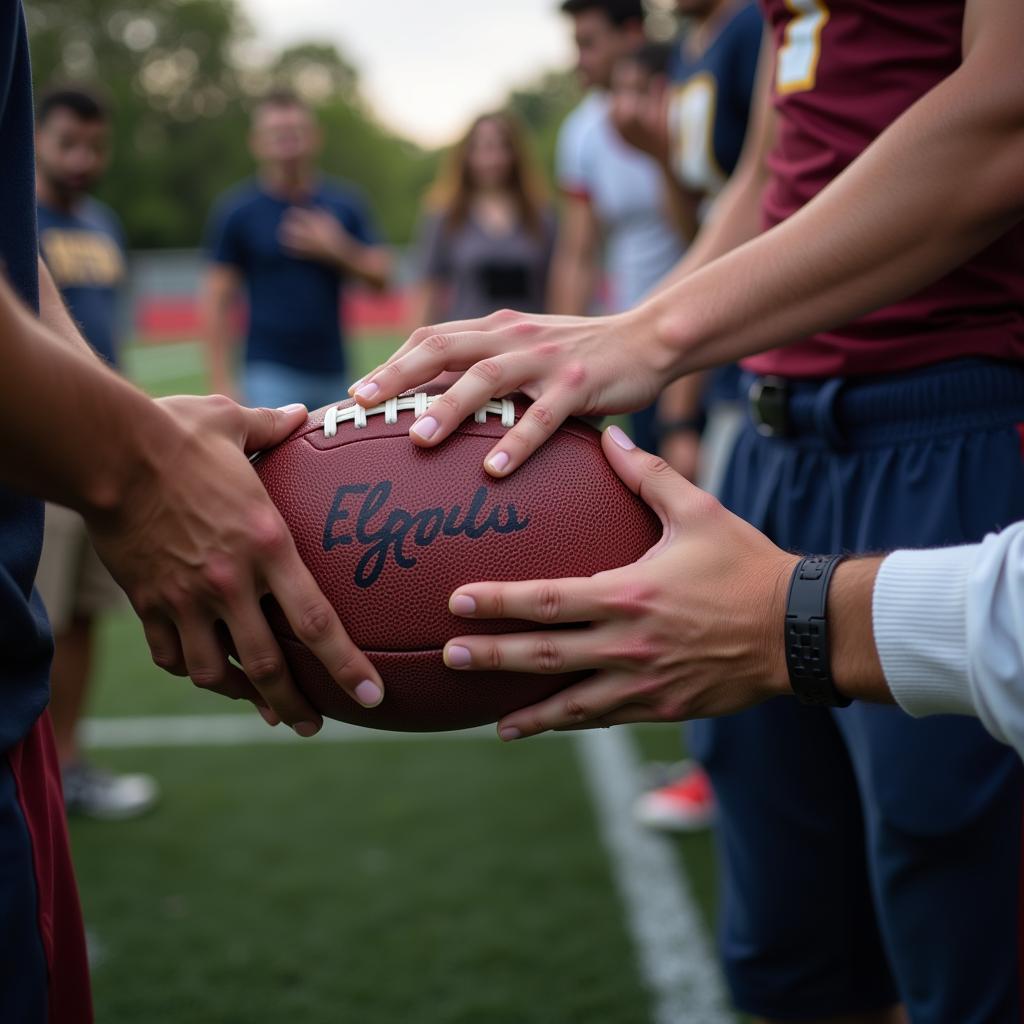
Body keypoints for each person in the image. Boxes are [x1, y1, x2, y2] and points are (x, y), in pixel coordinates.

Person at [351, 0, 1024, 1019]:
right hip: (766, 437)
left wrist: (655, 335)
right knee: (788, 936)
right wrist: (636, 335)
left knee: (963, 936)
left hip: (954, 421)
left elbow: (1003, 109)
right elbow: (771, 172)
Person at [0, 6, 385, 1018]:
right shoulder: (234, 214)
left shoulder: (99, 218)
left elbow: (15, 268)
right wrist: (135, 468)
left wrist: (125, 438)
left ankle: (74, 755)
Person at [611, 0, 763, 834]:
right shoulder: (696, 49)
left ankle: (725, 766)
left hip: (766, 333)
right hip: (727, 333)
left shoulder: (748, 30)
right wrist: (660, 155)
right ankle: (721, 762)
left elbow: (769, 189)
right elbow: (698, 220)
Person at [33, 86, 159, 821]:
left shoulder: (104, 225)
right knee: (32, 617)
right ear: (34, 141)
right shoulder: (16, 217)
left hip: (99, 452)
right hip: (38, 453)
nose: (84, 160)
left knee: (82, 614)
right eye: (67, 144)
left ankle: (69, 764)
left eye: (95, 146)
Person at [550, 0, 688, 453]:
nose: (579, 61)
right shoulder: (581, 131)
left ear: (632, 34)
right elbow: (579, 251)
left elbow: (709, 230)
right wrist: (559, 360)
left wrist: (657, 152)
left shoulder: (688, 95)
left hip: (708, 334)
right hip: (640, 341)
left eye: (588, 44)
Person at [202, 88, 392, 411]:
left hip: (335, 372)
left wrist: (335, 248)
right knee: (273, 463)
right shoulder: (238, 211)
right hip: (267, 373)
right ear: (256, 142)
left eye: (296, 133)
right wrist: (222, 384)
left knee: (336, 462)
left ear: (316, 137)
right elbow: (217, 300)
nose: (288, 144)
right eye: (277, 134)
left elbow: (383, 277)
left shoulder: (344, 203)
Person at [408, 112, 555, 329]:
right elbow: (428, 290)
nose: (492, 159)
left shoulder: (541, 217)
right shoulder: (446, 217)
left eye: (501, 147)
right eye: (483, 148)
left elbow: (558, 286)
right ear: (466, 155)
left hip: (527, 346)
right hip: (466, 344)